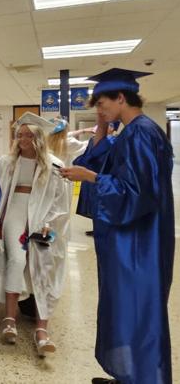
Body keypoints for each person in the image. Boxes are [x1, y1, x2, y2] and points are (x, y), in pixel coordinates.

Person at [61, 68, 174, 384]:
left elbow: (139, 194)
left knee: (139, 312)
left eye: (102, 104)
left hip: (140, 245)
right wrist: (100, 127)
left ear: (121, 97)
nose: (99, 109)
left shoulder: (143, 134)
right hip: (129, 243)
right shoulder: (129, 133)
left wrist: (91, 178)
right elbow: (100, 158)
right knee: (126, 311)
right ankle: (129, 375)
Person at [0, 113, 70, 356]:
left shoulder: (54, 165)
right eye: (19, 134)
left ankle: (42, 330)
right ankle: (9, 318)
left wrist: (49, 222)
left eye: (28, 135)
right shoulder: (7, 161)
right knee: (16, 260)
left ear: (39, 138)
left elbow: (60, 201)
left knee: (42, 266)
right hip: (14, 213)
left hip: (42, 219)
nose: (22, 139)